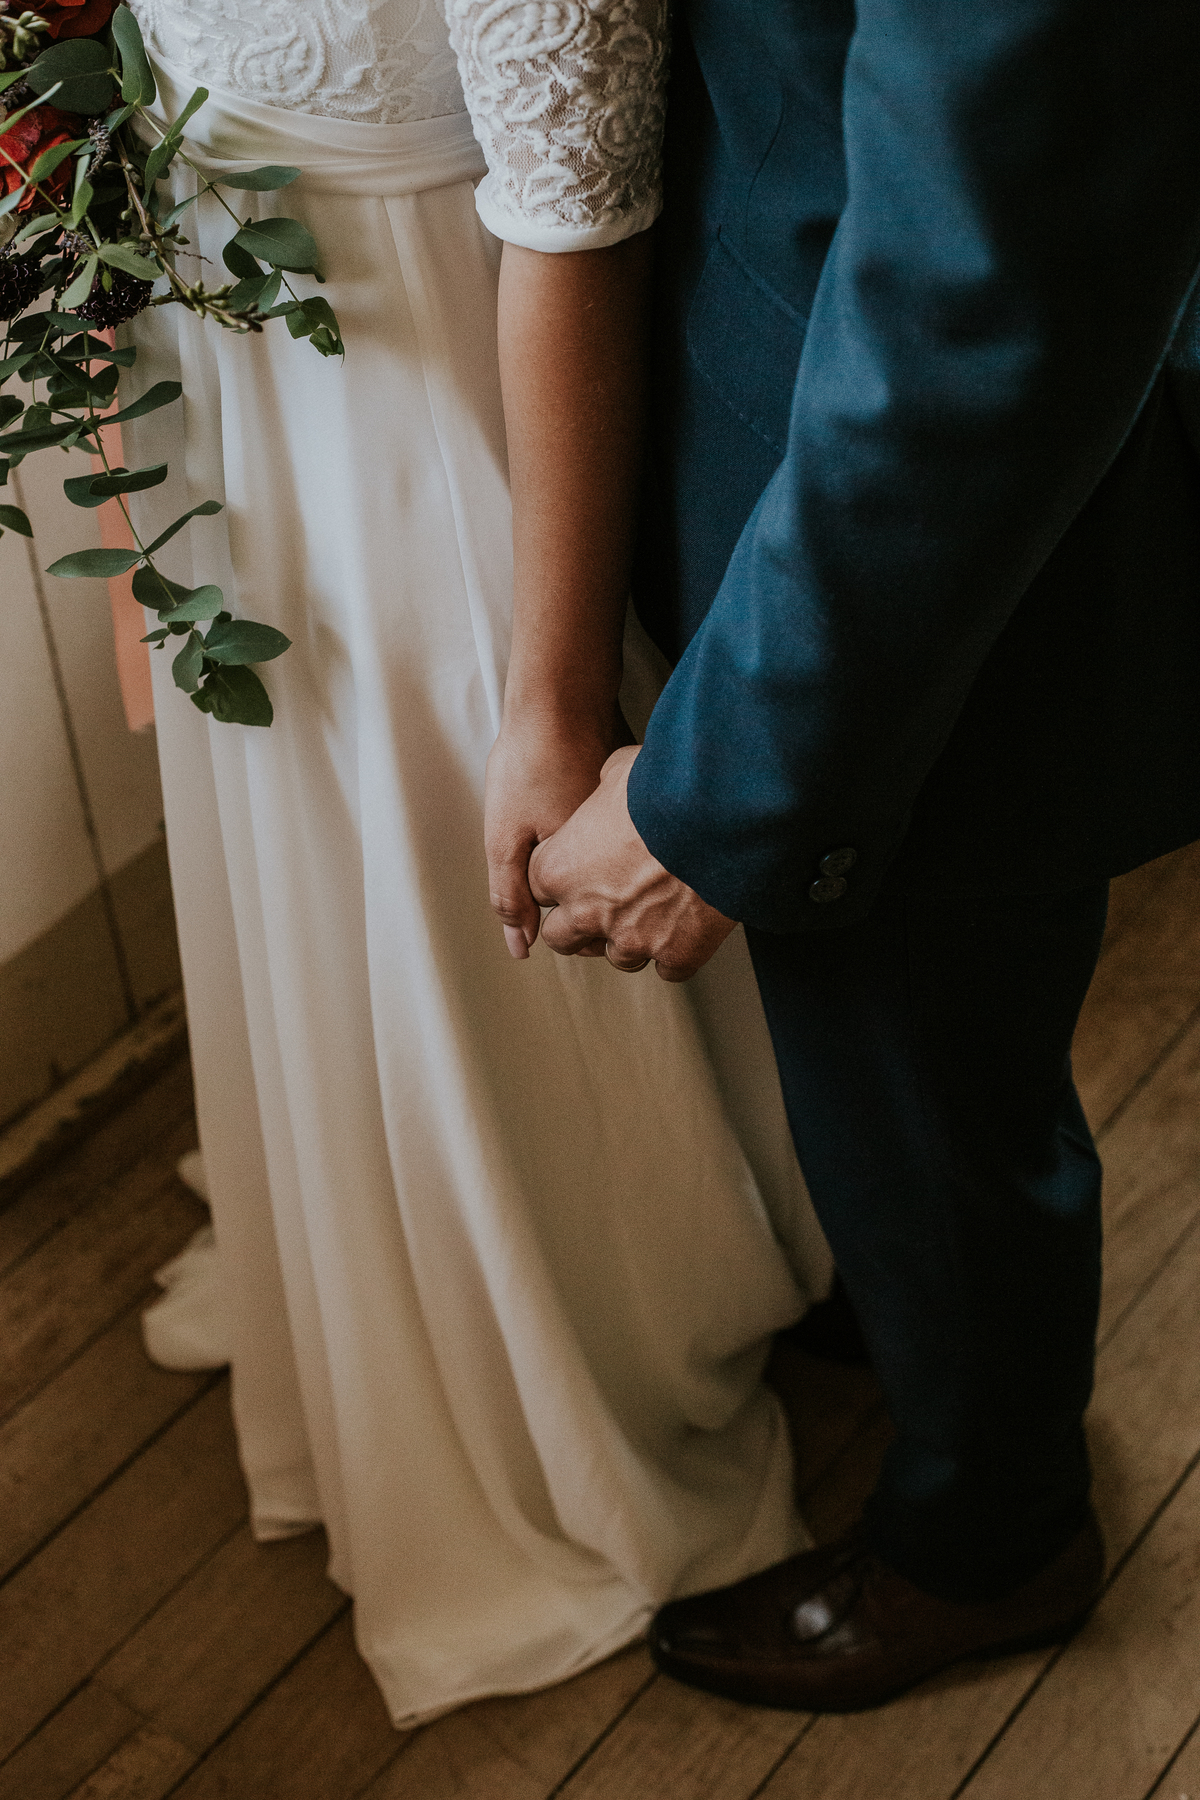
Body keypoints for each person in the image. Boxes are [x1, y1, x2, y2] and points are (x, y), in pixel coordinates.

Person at [123, 0, 834, 1729]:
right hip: (226, 396)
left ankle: (601, 1317)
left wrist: (546, 692)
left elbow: (574, 225)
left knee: (472, 919)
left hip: (438, 436)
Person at [503, 0, 1200, 1712]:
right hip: (783, 410)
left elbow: (988, 301)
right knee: (883, 1073)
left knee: (938, 1072)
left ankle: (992, 1536)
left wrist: (720, 797)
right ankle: (905, 1303)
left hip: (932, 577)